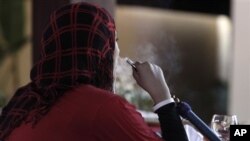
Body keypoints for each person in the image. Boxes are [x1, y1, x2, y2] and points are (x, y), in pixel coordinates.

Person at [0, 2, 188, 141]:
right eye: (116, 42)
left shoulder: (24, 97)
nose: (119, 52)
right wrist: (163, 97)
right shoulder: (105, 107)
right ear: (102, 51)